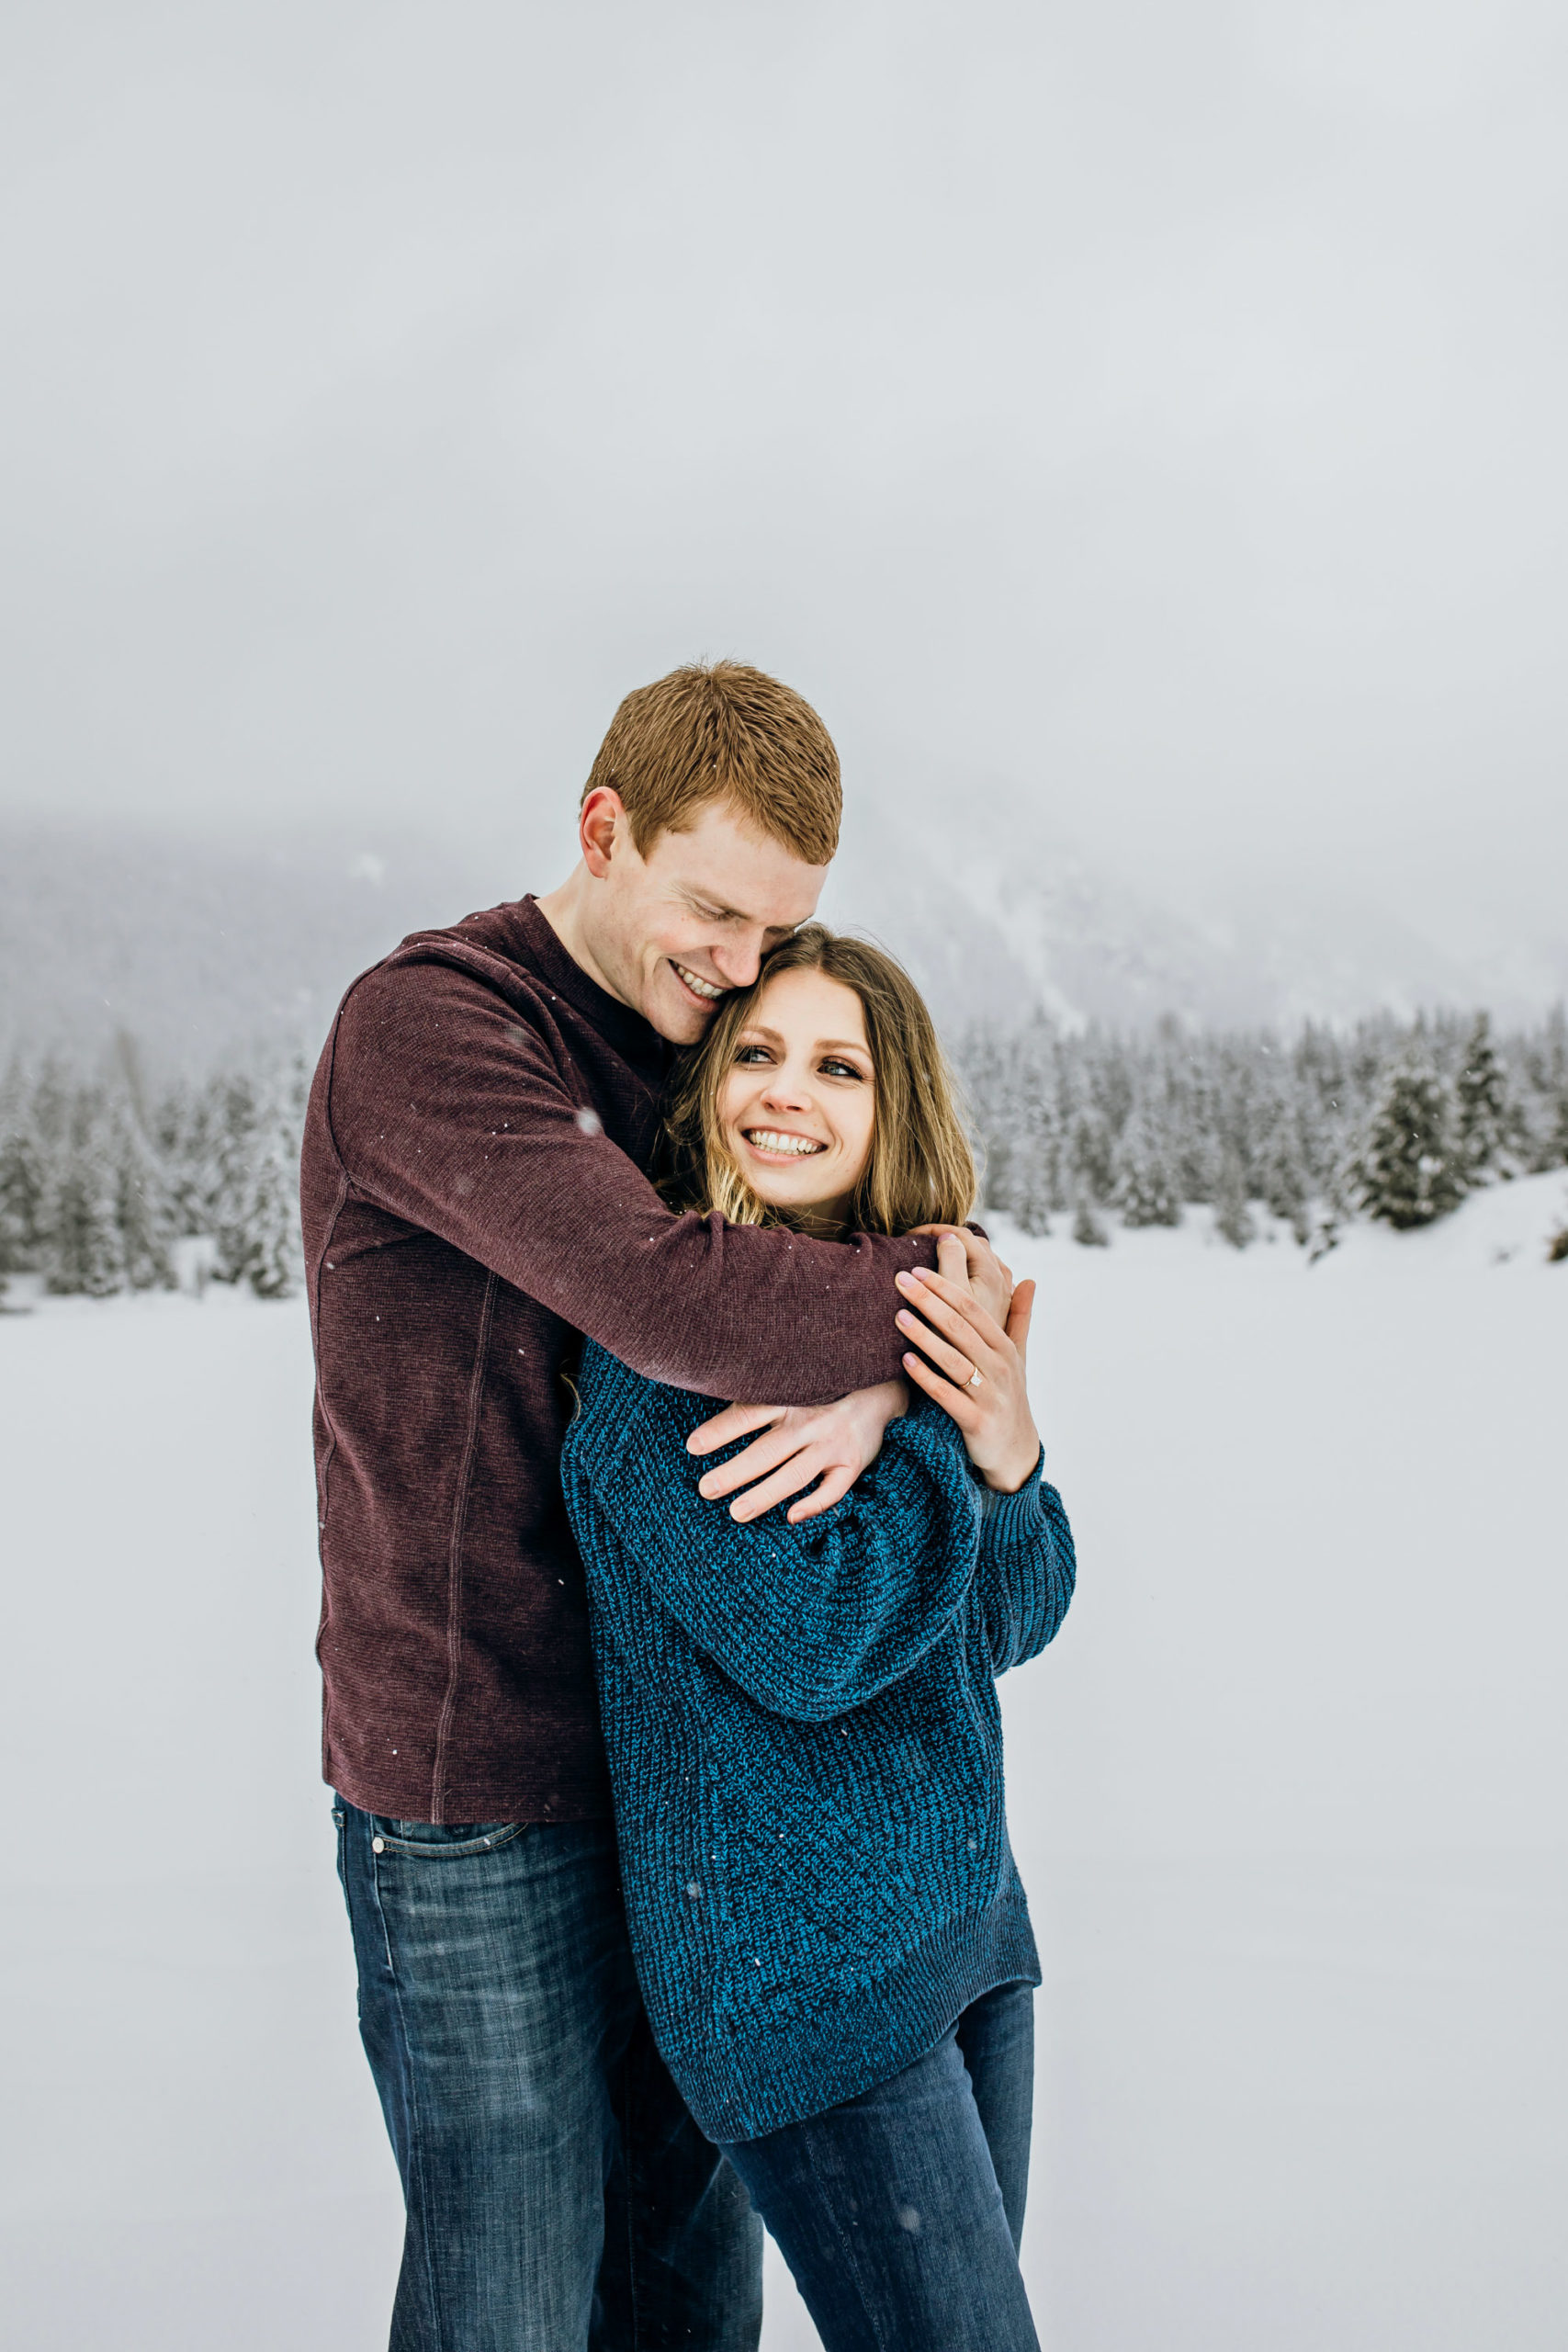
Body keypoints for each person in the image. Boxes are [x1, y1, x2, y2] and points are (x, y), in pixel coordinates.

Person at [300, 662, 1009, 2349]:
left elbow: (794, 1240)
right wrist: (947, 1310)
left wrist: (899, 1363)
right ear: (601, 831)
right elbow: (666, 1292)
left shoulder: (693, 1036)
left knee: (688, 2300)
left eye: (780, 932)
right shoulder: (441, 1026)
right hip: (472, 1790)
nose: (742, 966)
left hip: (686, 1794)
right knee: (514, 2297)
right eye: (712, 911)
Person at [561, 925, 1077, 2352]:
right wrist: (924, 1418)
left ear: (889, 1107)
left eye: (837, 1065)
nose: (787, 1092)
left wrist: (1011, 1448)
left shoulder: (906, 1329)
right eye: (758, 1054)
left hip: (966, 1938)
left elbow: (1011, 1617)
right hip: (802, 1993)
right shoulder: (659, 1363)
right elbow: (824, 1639)